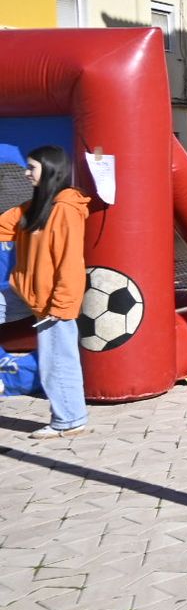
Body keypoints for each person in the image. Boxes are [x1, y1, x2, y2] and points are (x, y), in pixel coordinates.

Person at [0, 146, 91, 439]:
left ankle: (70, 420)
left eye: (32, 168)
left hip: (55, 300)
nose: (26, 173)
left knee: (58, 360)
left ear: (51, 170)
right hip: (27, 292)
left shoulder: (66, 210)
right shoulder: (33, 207)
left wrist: (61, 305)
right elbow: (4, 225)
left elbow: (69, 260)